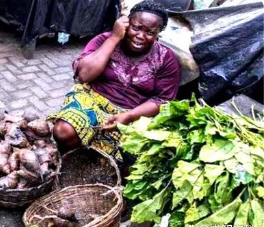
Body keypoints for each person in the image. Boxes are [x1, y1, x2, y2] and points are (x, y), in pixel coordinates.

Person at [49, 0, 181, 161]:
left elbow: (162, 99)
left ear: (158, 33)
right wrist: (115, 37)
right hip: (92, 100)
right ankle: (72, 162)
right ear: (127, 23)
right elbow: (83, 75)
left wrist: (129, 116)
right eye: (136, 27)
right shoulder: (104, 40)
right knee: (64, 131)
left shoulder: (166, 59)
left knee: (134, 158)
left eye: (150, 32)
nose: (140, 36)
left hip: (133, 112)